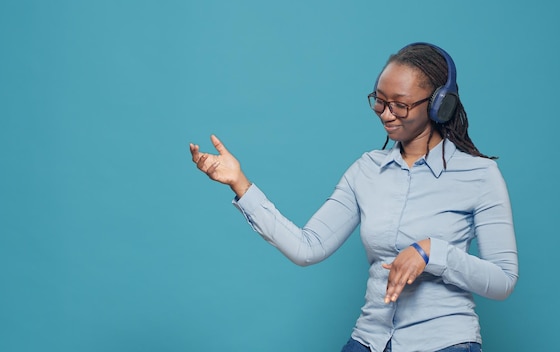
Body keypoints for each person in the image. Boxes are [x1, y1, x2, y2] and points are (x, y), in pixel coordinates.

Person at [189, 42, 518, 352]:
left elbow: (503, 281)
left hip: (444, 343)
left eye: (400, 105)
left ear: (439, 105)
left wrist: (434, 252)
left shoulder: (478, 175)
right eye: (380, 100)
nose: (386, 114)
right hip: (369, 340)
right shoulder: (366, 170)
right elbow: (308, 247)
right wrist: (241, 184)